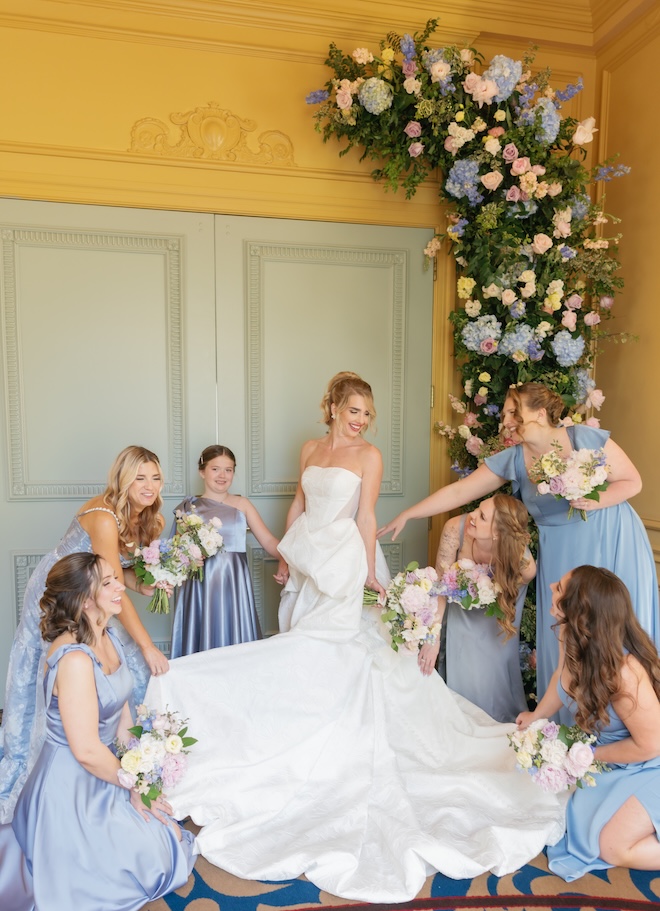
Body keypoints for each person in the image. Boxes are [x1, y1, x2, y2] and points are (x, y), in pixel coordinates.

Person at [146, 372, 565, 903]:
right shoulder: (311, 448)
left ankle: (334, 739)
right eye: (355, 410)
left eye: (368, 412)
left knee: (339, 650)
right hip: (307, 557)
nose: (362, 420)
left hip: (347, 560)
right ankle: (300, 730)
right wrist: (285, 560)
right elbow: (299, 504)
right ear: (334, 406)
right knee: (303, 653)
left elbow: (365, 515)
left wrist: (369, 570)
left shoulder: (369, 457)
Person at [378, 382, 659, 721]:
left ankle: (634, 721)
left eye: (515, 412)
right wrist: (410, 513)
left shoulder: (585, 439)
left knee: (615, 625)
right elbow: (460, 491)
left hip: (610, 537)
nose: (507, 420)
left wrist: (593, 498)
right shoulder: (514, 459)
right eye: (507, 412)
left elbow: (633, 482)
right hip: (561, 551)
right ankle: (572, 723)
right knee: (567, 631)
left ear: (540, 413)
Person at [0, 552, 197, 911]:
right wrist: (135, 787)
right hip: (71, 787)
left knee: (164, 837)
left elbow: (122, 721)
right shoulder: (74, 659)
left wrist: (143, 773)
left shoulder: (107, 636)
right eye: (108, 583)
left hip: (107, 770)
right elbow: (87, 751)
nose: (121, 585)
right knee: (145, 862)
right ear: (85, 600)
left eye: (115, 578)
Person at [0, 445, 170, 823]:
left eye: (155, 477)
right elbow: (110, 585)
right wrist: (147, 646)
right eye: (139, 478)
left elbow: (115, 575)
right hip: (68, 593)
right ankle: (59, 769)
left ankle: (127, 764)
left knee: (118, 670)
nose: (149, 486)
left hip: (98, 593)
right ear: (122, 480)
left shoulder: (145, 516)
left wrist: (146, 584)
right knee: (70, 673)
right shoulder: (106, 518)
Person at [516, 565, 660, 880]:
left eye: (560, 588)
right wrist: (536, 716)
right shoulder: (570, 633)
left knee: (611, 847)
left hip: (651, 763)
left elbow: (651, 745)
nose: (552, 584)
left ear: (580, 612)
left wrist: (589, 756)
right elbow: (561, 678)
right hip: (617, 761)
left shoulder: (625, 673)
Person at [422, 494, 534, 722]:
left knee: (493, 682)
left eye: (481, 516)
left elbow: (513, 596)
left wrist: (492, 590)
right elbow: (440, 588)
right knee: (461, 671)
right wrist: (432, 638)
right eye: (477, 509)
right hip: (459, 614)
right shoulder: (455, 529)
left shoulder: (524, 566)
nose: (471, 516)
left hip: (497, 618)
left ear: (497, 533)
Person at [170, 445, 281, 656]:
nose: (222, 475)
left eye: (228, 470)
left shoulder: (242, 504)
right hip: (200, 586)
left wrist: (293, 559)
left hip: (233, 585)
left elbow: (268, 540)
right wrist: (190, 557)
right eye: (215, 469)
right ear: (202, 471)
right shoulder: (186, 509)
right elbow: (177, 556)